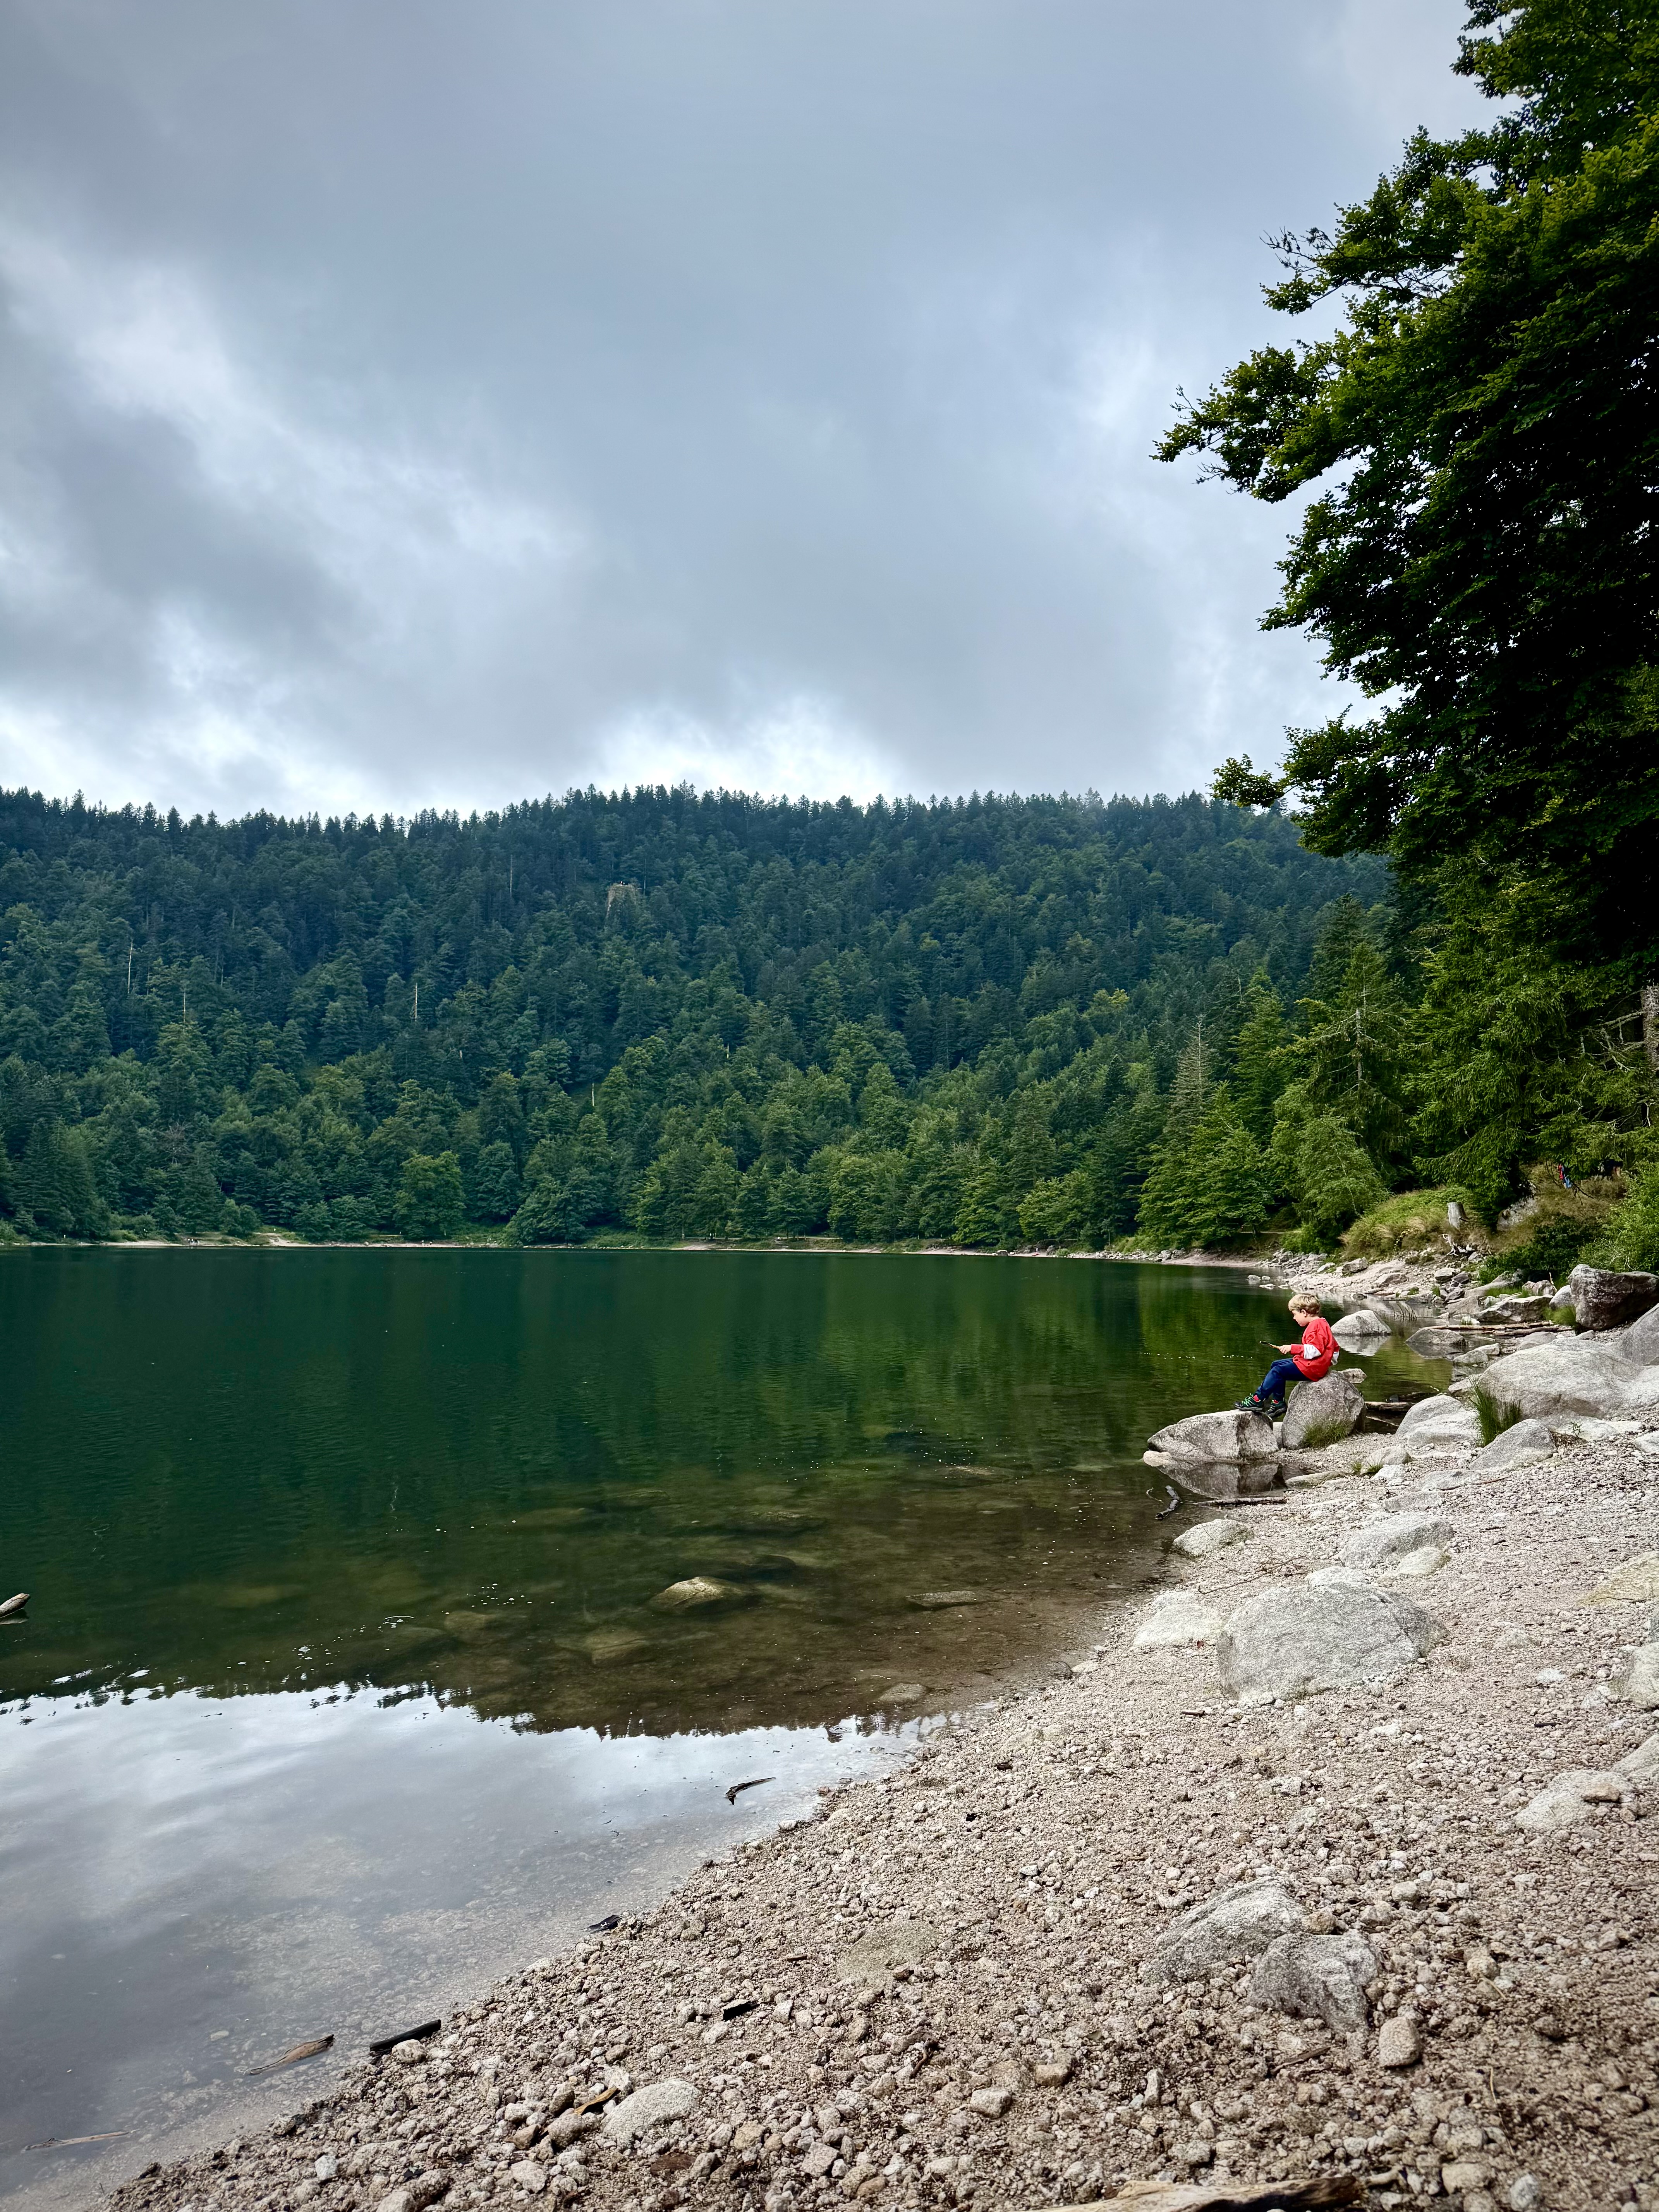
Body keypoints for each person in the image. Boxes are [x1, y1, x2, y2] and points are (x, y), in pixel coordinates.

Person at [1237, 1294, 1336, 1419]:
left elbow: (1315, 1350)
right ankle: (1278, 1403)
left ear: (1304, 1312)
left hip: (1312, 1368)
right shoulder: (1323, 1323)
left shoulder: (1316, 1326)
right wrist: (1328, 1362)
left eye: (1295, 1314)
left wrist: (1293, 1348)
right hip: (1313, 1365)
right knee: (1276, 1365)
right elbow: (1335, 1346)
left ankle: (1257, 1399)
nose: (1294, 1318)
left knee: (1278, 1372)